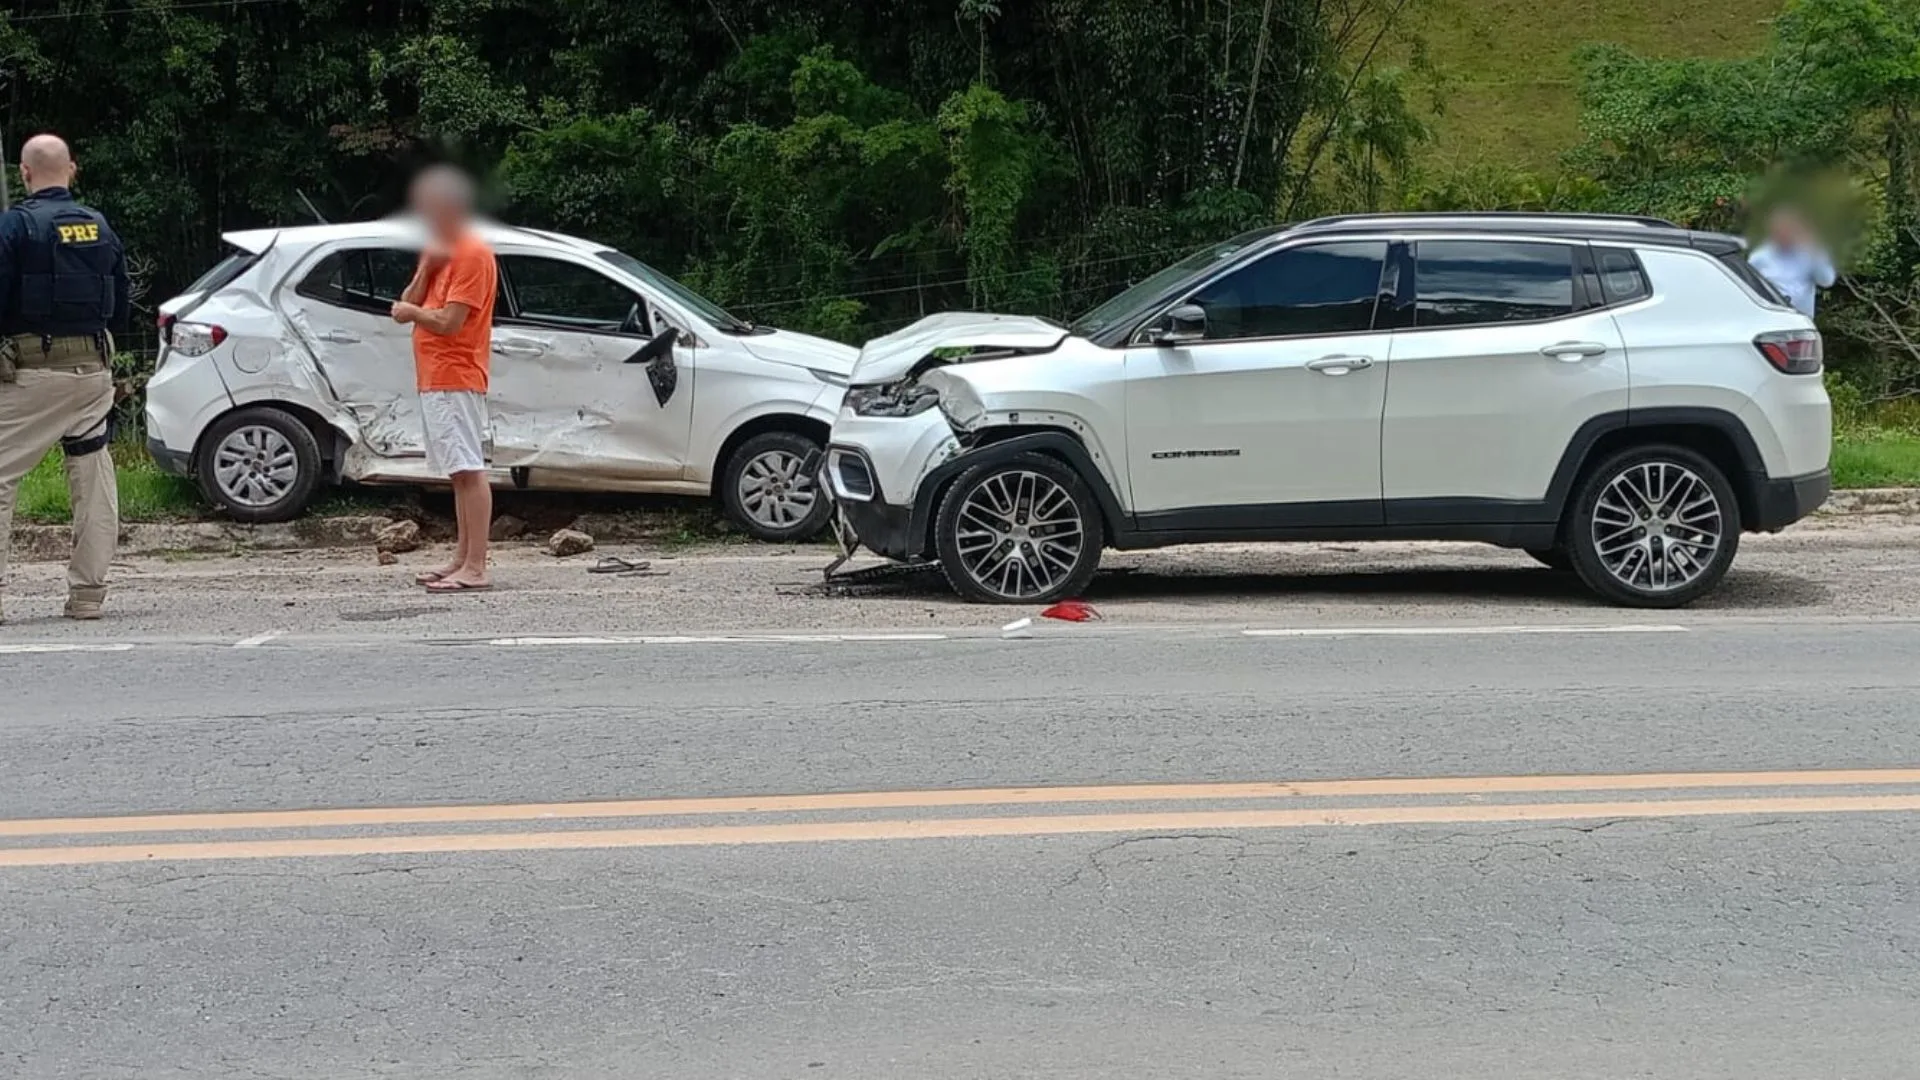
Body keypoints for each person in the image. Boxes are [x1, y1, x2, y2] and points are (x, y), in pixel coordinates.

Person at [0, 134, 127, 623]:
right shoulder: (98, 226)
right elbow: (118, 300)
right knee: (93, 479)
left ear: (25, 173)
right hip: (93, 373)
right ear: (72, 169)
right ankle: (88, 595)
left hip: (31, 375)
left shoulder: (16, 227)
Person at [391, 165, 498, 593]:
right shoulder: (440, 252)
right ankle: (461, 557)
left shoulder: (473, 254)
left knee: (469, 469)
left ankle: (476, 566)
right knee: (457, 471)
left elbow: (450, 322)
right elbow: (411, 298)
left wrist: (413, 313)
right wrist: (427, 269)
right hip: (434, 377)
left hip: (458, 373)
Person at [1747, 206, 1835, 318]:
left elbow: (1827, 281)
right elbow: (1749, 289)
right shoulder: (1759, 257)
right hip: (1771, 321)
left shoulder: (1810, 253)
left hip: (1801, 323)